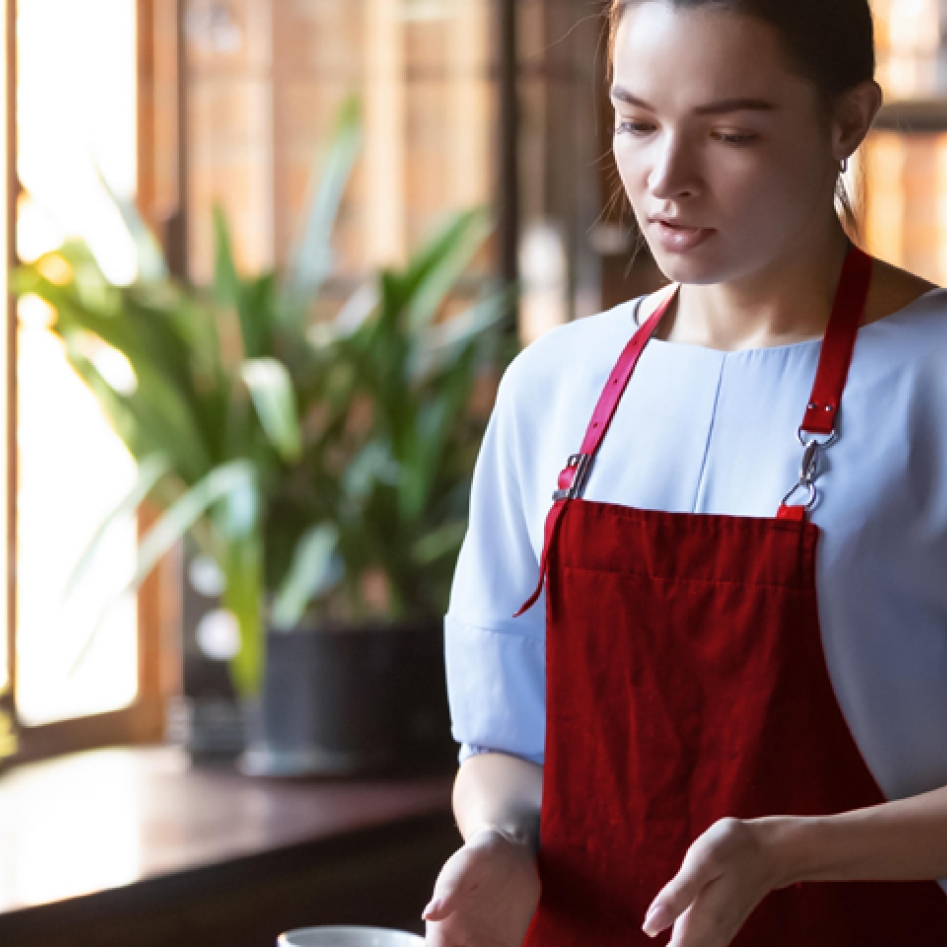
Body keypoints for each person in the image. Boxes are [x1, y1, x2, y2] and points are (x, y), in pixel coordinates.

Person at [423, 1, 947, 945]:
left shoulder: (933, 381)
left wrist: (787, 851)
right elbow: (501, 736)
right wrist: (500, 842)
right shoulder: (554, 386)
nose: (665, 180)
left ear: (846, 123)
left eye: (732, 133)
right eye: (634, 123)